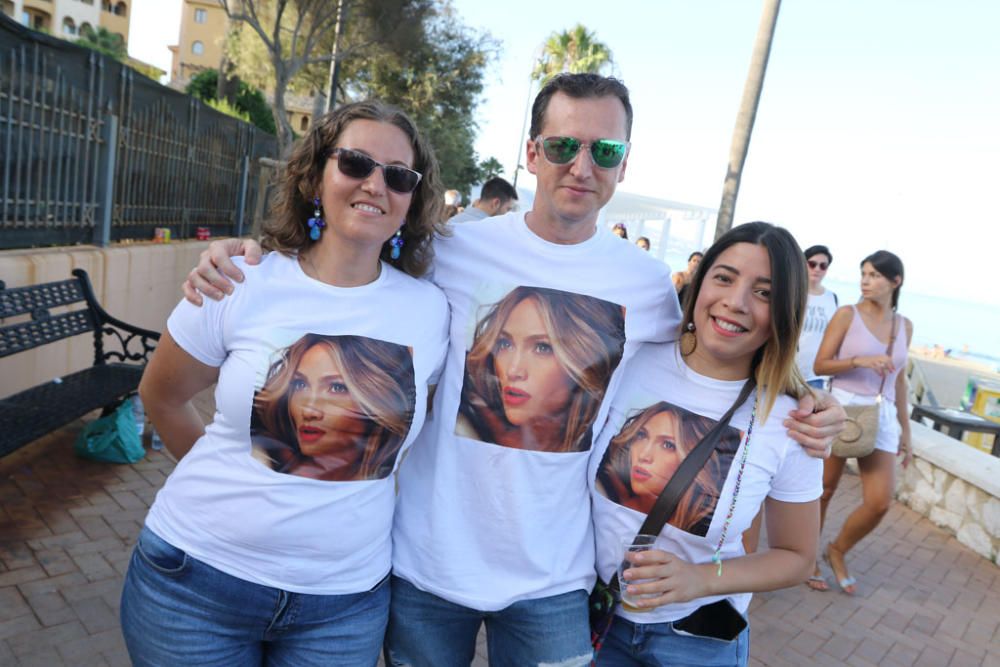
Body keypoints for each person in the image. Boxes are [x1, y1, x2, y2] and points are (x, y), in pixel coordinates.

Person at [183, 74, 844, 667]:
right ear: (531, 154)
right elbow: (344, 268)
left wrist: (809, 402)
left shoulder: (645, 285)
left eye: (604, 151)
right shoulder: (448, 249)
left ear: (621, 166)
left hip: (554, 579)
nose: (581, 166)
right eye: (562, 146)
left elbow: (720, 350)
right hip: (424, 562)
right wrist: (249, 254)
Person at [120, 101, 450, 666]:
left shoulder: (432, 310)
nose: (375, 184)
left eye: (398, 175)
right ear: (317, 175)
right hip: (195, 584)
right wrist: (246, 496)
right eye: (355, 163)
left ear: (411, 201)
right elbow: (163, 397)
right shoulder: (241, 279)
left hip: (342, 607)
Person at [592, 222, 822, 666]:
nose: (735, 302)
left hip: (693, 640)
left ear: (784, 314)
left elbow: (797, 557)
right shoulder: (630, 359)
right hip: (595, 620)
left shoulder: (792, 420)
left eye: (764, 293)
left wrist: (700, 579)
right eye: (724, 277)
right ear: (699, 283)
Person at [813, 250, 913, 596]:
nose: (865, 281)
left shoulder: (904, 326)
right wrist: (859, 360)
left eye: (874, 276)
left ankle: (837, 550)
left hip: (881, 412)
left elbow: (899, 381)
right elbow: (820, 365)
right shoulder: (847, 315)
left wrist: (906, 433)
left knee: (879, 501)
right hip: (842, 403)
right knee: (823, 490)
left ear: (895, 282)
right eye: (864, 274)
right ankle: (808, 556)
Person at [456, 286, 626, 453]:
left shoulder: (606, 458)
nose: (513, 371)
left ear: (587, 361)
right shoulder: (461, 425)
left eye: (542, 348)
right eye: (505, 344)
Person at [251, 333, 415, 482]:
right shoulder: (257, 458)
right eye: (300, 384)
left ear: (378, 398)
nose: (308, 411)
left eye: (337, 388)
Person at [596, 402, 736, 535]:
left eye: (668, 445)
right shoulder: (605, 483)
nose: (644, 455)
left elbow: (746, 548)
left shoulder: (710, 522)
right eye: (641, 435)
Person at [797, 245, 839, 392]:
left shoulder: (831, 298)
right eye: (812, 264)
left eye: (823, 266)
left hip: (815, 377)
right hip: (786, 372)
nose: (817, 269)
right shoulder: (792, 293)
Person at [448, 176, 519, 223]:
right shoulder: (491, 234)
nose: (509, 214)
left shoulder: (450, 222)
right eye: (508, 209)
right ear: (496, 203)